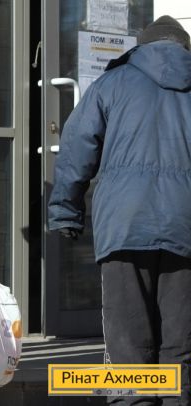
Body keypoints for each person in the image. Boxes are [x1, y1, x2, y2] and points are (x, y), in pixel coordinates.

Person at [48, 15, 191, 406]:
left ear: (141, 46)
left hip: (124, 227)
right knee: (180, 346)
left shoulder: (111, 83)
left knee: (128, 346)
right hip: (185, 228)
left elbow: (76, 150)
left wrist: (65, 210)